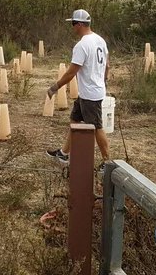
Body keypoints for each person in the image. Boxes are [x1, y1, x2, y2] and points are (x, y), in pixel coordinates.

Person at [46, 9, 111, 168]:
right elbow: (107, 65)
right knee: (75, 119)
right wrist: (103, 81)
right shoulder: (100, 40)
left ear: (81, 24)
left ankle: (107, 162)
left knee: (96, 128)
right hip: (89, 91)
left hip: (90, 95)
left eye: (74, 24)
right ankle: (64, 153)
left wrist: (56, 87)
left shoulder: (82, 45)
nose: (73, 27)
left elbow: (71, 72)